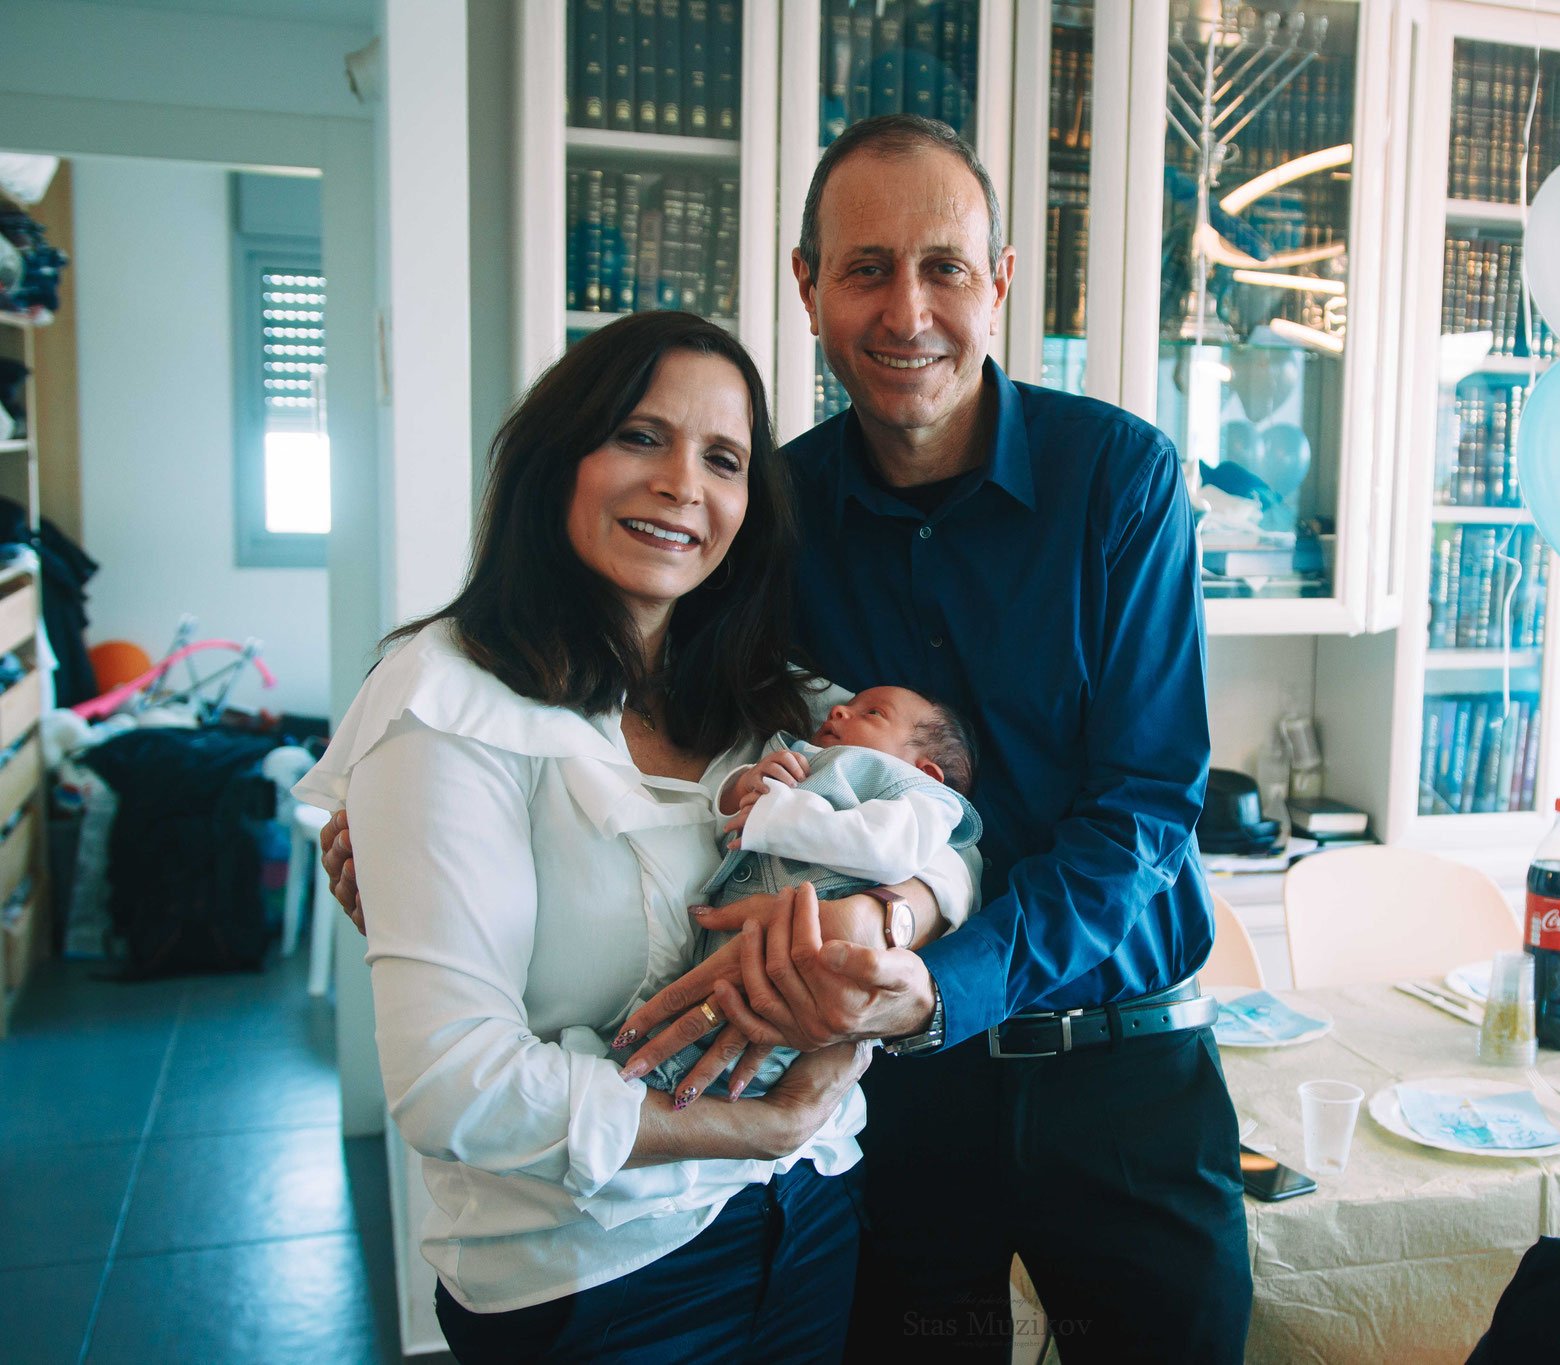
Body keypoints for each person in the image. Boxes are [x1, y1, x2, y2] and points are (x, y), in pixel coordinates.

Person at [327, 116, 1252, 1358]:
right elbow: (694, 751)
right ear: (808, 288)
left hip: (1115, 1072)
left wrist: (931, 960)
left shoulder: (1117, 479)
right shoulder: (767, 511)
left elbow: (1142, 809)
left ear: (999, 283)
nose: (906, 311)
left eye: (943, 268)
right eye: (865, 269)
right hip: (883, 1097)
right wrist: (425, 860)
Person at [297, 311, 972, 1363]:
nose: (681, 485)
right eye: (640, 437)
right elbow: (451, 1085)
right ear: (557, 458)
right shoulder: (447, 703)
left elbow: (949, 826)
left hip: (808, 1217)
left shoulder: (774, 696)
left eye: (723, 460)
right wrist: (768, 1124)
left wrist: (891, 912)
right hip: (597, 1275)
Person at [599, 684, 982, 1101]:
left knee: (740, 1040)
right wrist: (741, 789)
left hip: (808, 969)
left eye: (872, 713)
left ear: (926, 771)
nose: (838, 710)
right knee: (676, 1025)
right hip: (729, 939)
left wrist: (779, 814)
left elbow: (888, 850)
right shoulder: (800, 756)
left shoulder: (924, 798)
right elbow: (726, 835)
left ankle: (681, 1098)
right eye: (847, 705)